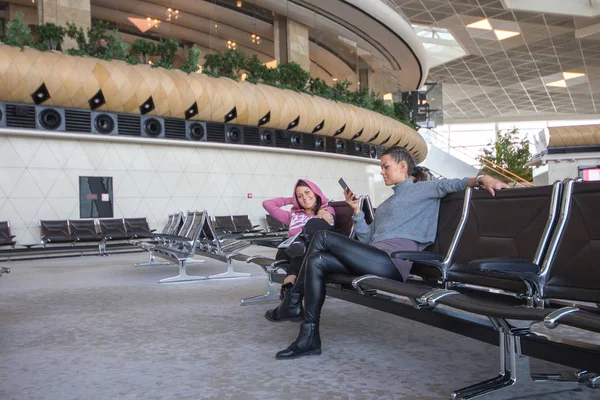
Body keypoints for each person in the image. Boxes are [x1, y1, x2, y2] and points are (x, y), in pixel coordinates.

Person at [267, 146, 509, 359]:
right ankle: (309, 337)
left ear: (403, 167)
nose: (381, 172)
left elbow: (454, 183)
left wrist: (483, 178)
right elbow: (367, 238)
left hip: (392, 264)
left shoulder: (424, 189)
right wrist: (357, 212)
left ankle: (292, 301)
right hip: (373, 257)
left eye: (385, 167)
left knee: (320, 237)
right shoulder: (385, 206)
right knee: (316, 260)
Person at [262, 179, 335, 320]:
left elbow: (330, 222)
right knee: (294, 249)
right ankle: (293, 304)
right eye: (299, 195)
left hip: (311, 251)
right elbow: (267, 204)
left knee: (303, 249)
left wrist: (320, 211)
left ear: (316, 193)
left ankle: (290, 299)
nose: (304, 197)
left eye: (307, 192)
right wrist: (291, 200)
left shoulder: (326, 210)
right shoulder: (292, 215)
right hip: (289, 251)